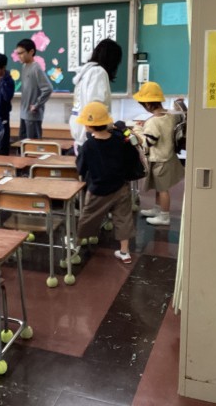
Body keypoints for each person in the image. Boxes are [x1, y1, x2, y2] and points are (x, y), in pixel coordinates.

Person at [75, 102, 137, 264]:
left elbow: (81, 169)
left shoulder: (88, 146)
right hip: (120, 187)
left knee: (88, 216)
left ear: (89, 126)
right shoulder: (119, 140)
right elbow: (130, 159)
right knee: (123, 218)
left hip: (98, 190)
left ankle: (77, 243)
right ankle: (125, 252)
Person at [132, 81, 184, 226]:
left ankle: (164, 216)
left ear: (148, 104)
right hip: (167, 156)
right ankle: (157, 209)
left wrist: (137, 131)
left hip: (160, 159)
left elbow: (148, 142)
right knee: (158, 186)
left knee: (163, 189)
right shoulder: (170, 115)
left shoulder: (153, 122)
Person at [69, 38, 123, 151]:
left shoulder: (86, 72)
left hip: (81, 132)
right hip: (92, 135)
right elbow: (96, 107)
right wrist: (108, 128)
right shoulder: (98, 72)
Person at [15, 38, 52, 139]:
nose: (19, 56)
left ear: (31, 52)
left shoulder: (36, 68)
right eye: (18, 53)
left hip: (32, 115)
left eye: (21, 53)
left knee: (33, 145)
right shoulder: (24, 66)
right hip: (24, 113)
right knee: (23, 143)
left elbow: (48, 88)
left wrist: (37, 105)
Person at [0, 53, 15, 155]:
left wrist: (0, 82)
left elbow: (7, 97)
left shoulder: (8, 81)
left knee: (3, 143)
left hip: (3, 115)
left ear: (3, 68)